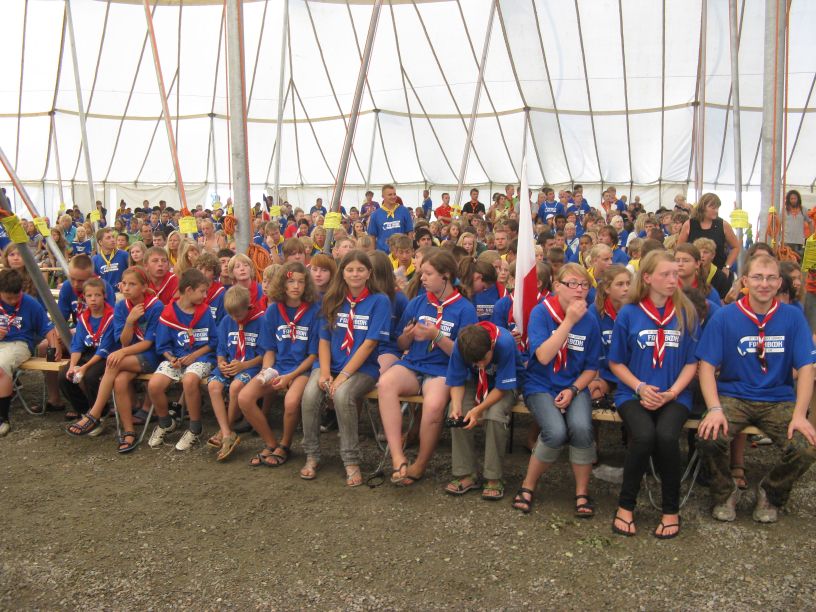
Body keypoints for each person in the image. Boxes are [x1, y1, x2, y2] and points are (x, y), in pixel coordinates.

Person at [696, 254, 816, 523]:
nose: (764, 284)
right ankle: (725, 493)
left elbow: (807, 367)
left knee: (806, 446)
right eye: (758, 277)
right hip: (734, 395)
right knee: (708, 436)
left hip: (778, 398)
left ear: (779, 282)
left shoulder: (793, 317)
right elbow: (706, 366)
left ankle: (771, 493)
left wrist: (800, 415)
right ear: (745, 281)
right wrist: (714, 408)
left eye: (771, 278)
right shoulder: (725, 316)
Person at [608, 250, 700, 539]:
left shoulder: (686, 312)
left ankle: (670, 510)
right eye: (666, 274)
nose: (673, 279)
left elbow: (692, 362)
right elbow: (616, 362)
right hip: (633, 392)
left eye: (676, 274)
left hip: (675, 394)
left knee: (667, 437)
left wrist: (672, 393)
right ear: (647, 278)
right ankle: (626, 506)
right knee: (644, 436)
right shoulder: (629, 313)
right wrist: (640, 387)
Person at [378, 249, 478, 486]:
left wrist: (436, 336)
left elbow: (465, 354)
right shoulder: (418, 302)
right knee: (385, 384)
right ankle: (398, 457)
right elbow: (401, 344)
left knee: (433, 406)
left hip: (443, 370)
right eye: (421, 273)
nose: (421, 278)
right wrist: (407, 336)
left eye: (428, 273)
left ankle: (420, 464)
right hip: (413, 364)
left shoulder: (465, 309)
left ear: (445, 276)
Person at [511, 264, 601, 518]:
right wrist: (569, 321)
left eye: (584, 285)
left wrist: (573, 390)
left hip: (574, 385)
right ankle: (528, 486)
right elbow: (543, 355)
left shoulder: (590, 320)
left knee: (582, 429)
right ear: (557, 286)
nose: (579, 290)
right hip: (540, 384)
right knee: (555, 431)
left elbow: (591, 368)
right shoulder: (542, 312)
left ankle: (581, 492)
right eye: (572, 283)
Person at [300, 251, 390, 486]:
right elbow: (324, 340)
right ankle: (312, 455)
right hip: (330, 363)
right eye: (349, 270)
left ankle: (351, 460)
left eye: (360, 269)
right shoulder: (332, 298)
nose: (355, 274)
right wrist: (326, 373)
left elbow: (370, 343)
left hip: (362, 368)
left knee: (342, 395)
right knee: (310, 395)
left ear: (369, 273)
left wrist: (343, 376)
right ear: (342, 273)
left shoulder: (380, 301)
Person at [67, 266, 163, 451]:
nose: (126, 288)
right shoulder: (121, 306)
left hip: (152, 356)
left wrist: (122, 352)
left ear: (144, 287)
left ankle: (94, 413)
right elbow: (123, 341)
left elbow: (148, 343)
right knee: (119, 381)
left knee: (113, 361)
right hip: (131, 356)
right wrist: (130, 321)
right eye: (124, 283)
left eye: (132, 284)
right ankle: (129, 432)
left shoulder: (155, 306)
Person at [237, 262, 320, 466]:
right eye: (291, 281)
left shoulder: (314, 311)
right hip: (278, 366)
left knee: (291, 402)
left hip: (303, 369)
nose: (296, 286)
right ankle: (270, 443)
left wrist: (290, 377)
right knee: (245, 397)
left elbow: (313, 355)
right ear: (282, 284)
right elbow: (269, 349)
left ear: (307, 285)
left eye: (301, 282)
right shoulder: (273, 310)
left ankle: (285, 445)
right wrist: (267, 371)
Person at [445, 322, 522, 500]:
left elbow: (502, 387)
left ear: (492, 346)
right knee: (456, 413)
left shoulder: (505, 342)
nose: (480, 365)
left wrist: (478, 410)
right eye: (475, 362)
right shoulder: (461, 344)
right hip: (475, 382)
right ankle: (466, 474)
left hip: (504, 384)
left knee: (495, 415)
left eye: (483, 360)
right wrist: (456, 405)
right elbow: (456, 380)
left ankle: (493, 477)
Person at [148, 269, 218, 451]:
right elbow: (162, 346)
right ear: (188, 290)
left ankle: (195, 428)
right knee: (154, 385)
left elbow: (213, 342)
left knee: (189, 380)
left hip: (202, 357)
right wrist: (172, 359)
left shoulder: (204, 311)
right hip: (178, 358)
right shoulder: (168, 313)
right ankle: (166, 423)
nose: (205, 295)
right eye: (202, 291)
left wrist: (194, 356)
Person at [206, 285, 265, 461]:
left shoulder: (260, 321)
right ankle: (226, 432)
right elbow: (221, 349)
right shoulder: (227, 321)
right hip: (231, 364)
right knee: (213, 385)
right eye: (231, 314)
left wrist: (244, 365)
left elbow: (265, 354)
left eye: (238, 315)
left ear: (248, 306)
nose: (235, 318)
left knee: (235, 387)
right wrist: (221, 363)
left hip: (251, 366)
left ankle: (227, 429)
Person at [0, 269, 60, 437]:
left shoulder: (30, 303)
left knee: (1, 366)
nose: (13, 301)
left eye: (16, 297)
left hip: (18, 343)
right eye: (8, 298)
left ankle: (3, 418)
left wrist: (55, 345)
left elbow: (47, 328)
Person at [60, 278, 115, 425]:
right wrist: (72, 366)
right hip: (89, 353)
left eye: (97, 295)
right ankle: (84, 411)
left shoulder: (112, 316)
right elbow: (77, 345)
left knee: (90, 376)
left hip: (106, 356)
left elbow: (104, 349)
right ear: (84, 297)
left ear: (104, 296)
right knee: (65, 376)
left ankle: (100, 414)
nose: (93, 299)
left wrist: (84, 367)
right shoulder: (84, 317)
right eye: (89, 296)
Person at [589, 265, 631, 401]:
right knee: (594, 393)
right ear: (607, 289)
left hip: (631, 373)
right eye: (620, 284)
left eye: (628, 283)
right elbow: (591, 350)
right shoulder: (594, 312)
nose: (626, 288)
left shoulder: (636, 311)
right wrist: (595, 378)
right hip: (604, 373)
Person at [678, 193, 741, 276]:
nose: (716, 211)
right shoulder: (689, 224)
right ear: (703, 207)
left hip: (718, 273)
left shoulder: (723, 225)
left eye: (717, 208)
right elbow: (679, 248)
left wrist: (727, 267)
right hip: (694, 273)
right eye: (713, 208)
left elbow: (736, 247)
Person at [369, 251, 408, 373]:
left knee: (376, 373)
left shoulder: (399, 299)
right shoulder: (363, 297)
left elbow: (403, 335)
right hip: (363, 347)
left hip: (388, 349)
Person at [368, 184, 414, 252]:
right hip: (383, 253)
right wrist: (373, 253)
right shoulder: (375, 214)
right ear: (383, 196)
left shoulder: (404, 211)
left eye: (394, 194)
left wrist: (409, 250)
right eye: (390, 195)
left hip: (401, 252)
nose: (393, 197)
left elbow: (410, 232)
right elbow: (372, 237)